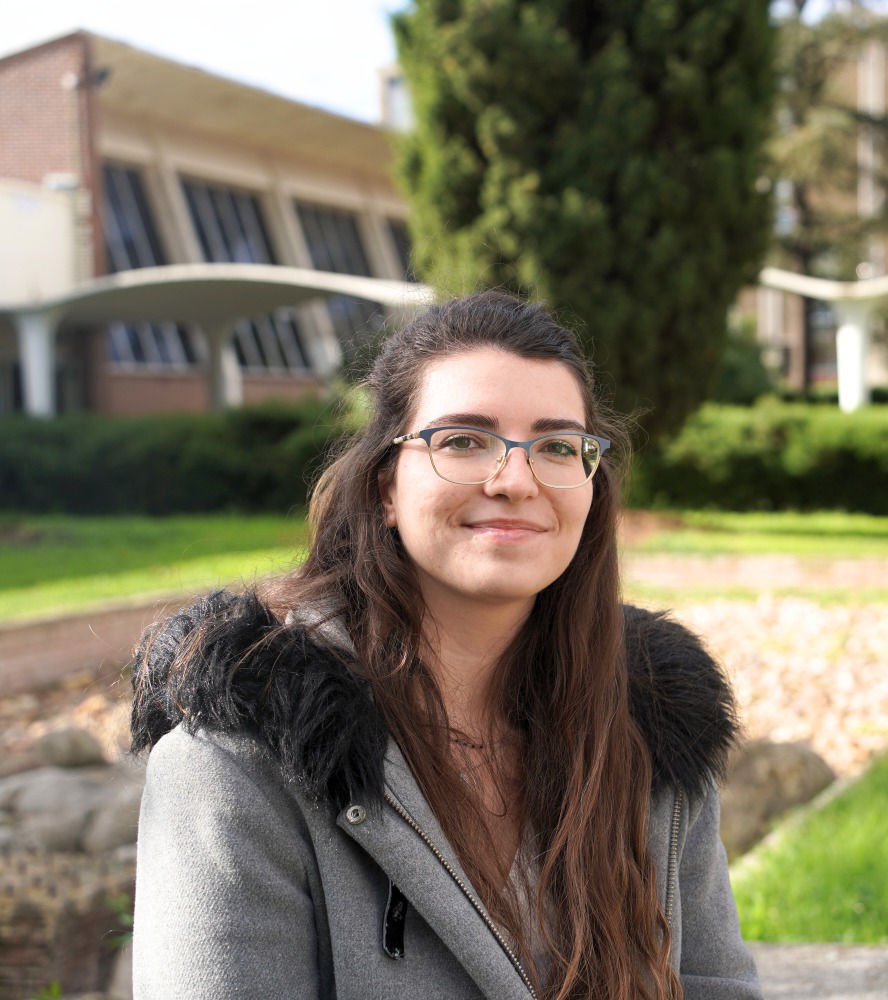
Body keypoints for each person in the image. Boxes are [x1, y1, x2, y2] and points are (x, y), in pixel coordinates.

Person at [129, 291, 761, 1000]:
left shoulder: (650, 725)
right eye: (463, 440)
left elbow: (713, 984)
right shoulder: (232, 768)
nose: (515, 480)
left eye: (556, 446)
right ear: (384, 490)